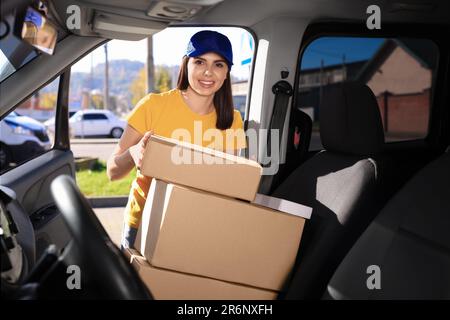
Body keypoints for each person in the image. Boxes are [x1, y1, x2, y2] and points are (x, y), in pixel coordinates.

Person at [106, 30, 246, 249]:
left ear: (227, 73)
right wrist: (133, 155)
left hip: (200, 227)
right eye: (200, 61)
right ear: (186, 65)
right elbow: (112, 172)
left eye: (218, 64)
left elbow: (226, 185)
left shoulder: (233, 120)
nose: (208, 72)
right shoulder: (153, 106)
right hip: (144, 224)